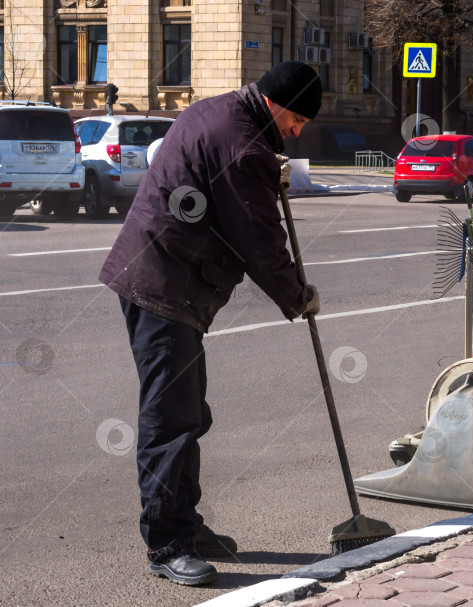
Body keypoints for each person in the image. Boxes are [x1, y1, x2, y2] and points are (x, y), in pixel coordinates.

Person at [99, 61, 322, 586]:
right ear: (278, 105)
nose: (295, 134)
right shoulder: (245, 144)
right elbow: (260, 241)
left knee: (188, 412)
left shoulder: (223, 114)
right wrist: (297, 296)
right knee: (171, 419)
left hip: (163, 276)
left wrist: (270, 168)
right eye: (297, 123)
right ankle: (166, 543)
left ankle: (185, 523)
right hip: (163, 284)